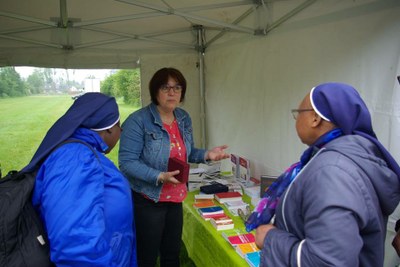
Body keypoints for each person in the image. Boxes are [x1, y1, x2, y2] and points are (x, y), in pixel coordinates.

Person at [246, 82, 400, 267]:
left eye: (298, 113)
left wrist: (271, 238)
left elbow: (329, 262)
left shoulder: (332, 171)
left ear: (315, 119)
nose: (295, 119)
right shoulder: (339, 159)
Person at [119, 67, 229, 267]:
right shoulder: (138, 121)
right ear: (155, 91)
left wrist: (207, 155)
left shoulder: (184, 117)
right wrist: (159, 176)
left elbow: (187, 152)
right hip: (148, 200)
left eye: (177, 88)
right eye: (165, 87)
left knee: (172, 255)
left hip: (175, 198)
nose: (172, 92)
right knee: (147, 258)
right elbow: (127, 163)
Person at [23, 93, 137, 266]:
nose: (120, 132)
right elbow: (76, 241)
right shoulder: (75, 158)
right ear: (109, 128)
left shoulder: (85, 152)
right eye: (119, 125)